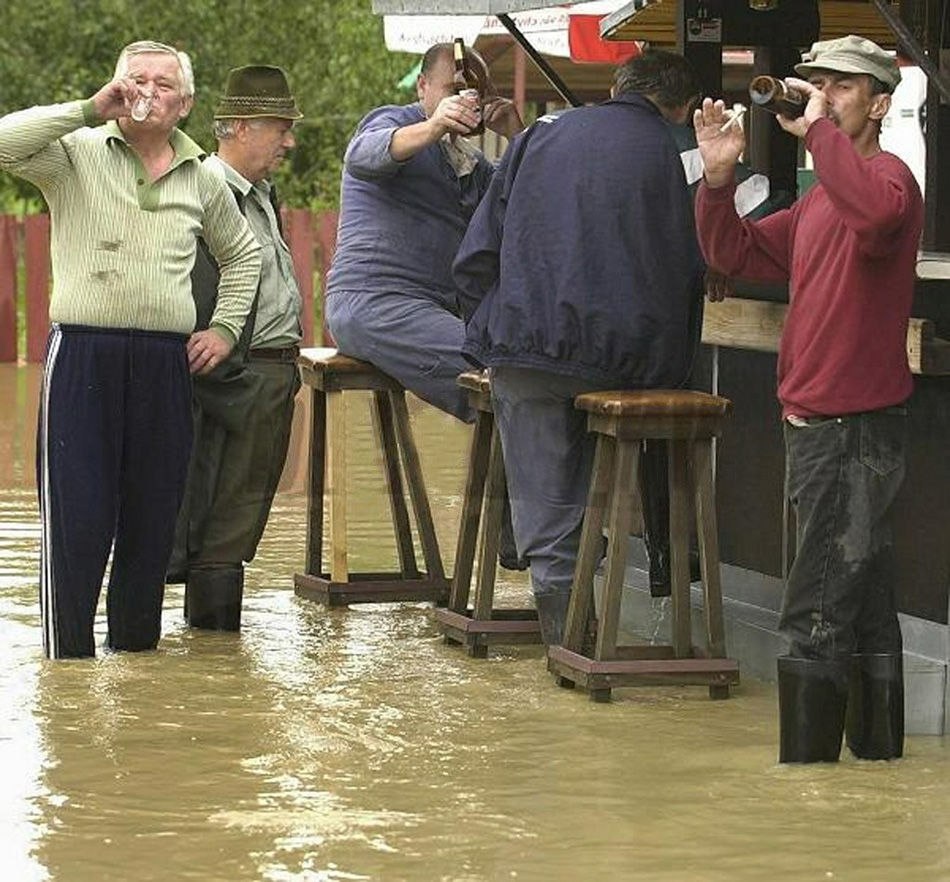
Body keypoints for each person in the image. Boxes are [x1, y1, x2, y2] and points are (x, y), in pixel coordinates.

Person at [693, 34, 922, 762]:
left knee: (814, 612)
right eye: (819, 82)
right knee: (864, 610)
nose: (825, 95)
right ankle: (875, 780)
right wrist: (719, 180)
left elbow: (878, 218)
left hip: (851, 429)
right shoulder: (824, 199)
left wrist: (819, 131)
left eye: (844, 86)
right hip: (826, 427)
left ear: (880, 103)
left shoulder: (888, 182)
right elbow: (731, 253)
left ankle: (808, 796)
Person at [0, 40, 262, 659]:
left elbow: (242, 254)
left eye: (162, 83)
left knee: (151, 523)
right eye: (134, 80)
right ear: (115, 89)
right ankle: (68, 669)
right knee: (78, 520)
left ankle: (137, 667)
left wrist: (224, 328)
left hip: (164, 363)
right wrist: (89, 108)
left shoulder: (203, 175)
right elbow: (5, 142)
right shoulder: (74, 153)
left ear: (186, 103)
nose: (146, 91)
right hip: (84, 356)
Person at [453, 49, 706, 645]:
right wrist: (669, 370)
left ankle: (565, 649)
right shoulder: (665, 154)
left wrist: (491, 330)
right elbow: (683, 273)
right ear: (681, 108)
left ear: (617, 86)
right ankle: (591, 627)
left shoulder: (540, 134)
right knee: (593, 482)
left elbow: (474, 257)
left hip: (525, 351)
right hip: (623, 362)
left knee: (548, 507)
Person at [167, 65, 303, 631]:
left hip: (262, 375)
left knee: (226, 526)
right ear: (240, 127)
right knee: (220, 529)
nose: (290, 141)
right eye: (280, 127)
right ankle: (212, 669)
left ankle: (206, 678)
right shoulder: (207, 192)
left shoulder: (259, 194)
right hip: (237, 377)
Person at [324, 42, 523, 422]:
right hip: (373, 303)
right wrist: (435, 125)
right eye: (455, 90)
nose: (468, 101)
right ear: (422, 87)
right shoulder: (392, 122)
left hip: (431, 310)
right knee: (502, 369)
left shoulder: (470, 161)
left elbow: (522, 201)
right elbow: (362, 156)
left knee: (524, 365)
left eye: (477, 93)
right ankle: (516, 480)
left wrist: (516, 134)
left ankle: (506, 480)